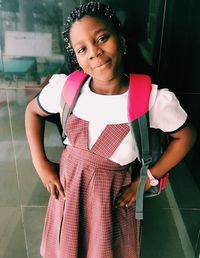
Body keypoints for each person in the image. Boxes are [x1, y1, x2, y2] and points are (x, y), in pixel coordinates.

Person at [25, 2, 196, 258]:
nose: (94, 52)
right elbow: (32, 112)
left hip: (110, 205)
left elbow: (187, 135)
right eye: (83, 49)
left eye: (102, 38)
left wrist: (147, 177)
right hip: (68, 197)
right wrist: (41, 164)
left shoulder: (150, 100)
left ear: (122, 40)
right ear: (78, 59)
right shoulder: (67, 89)